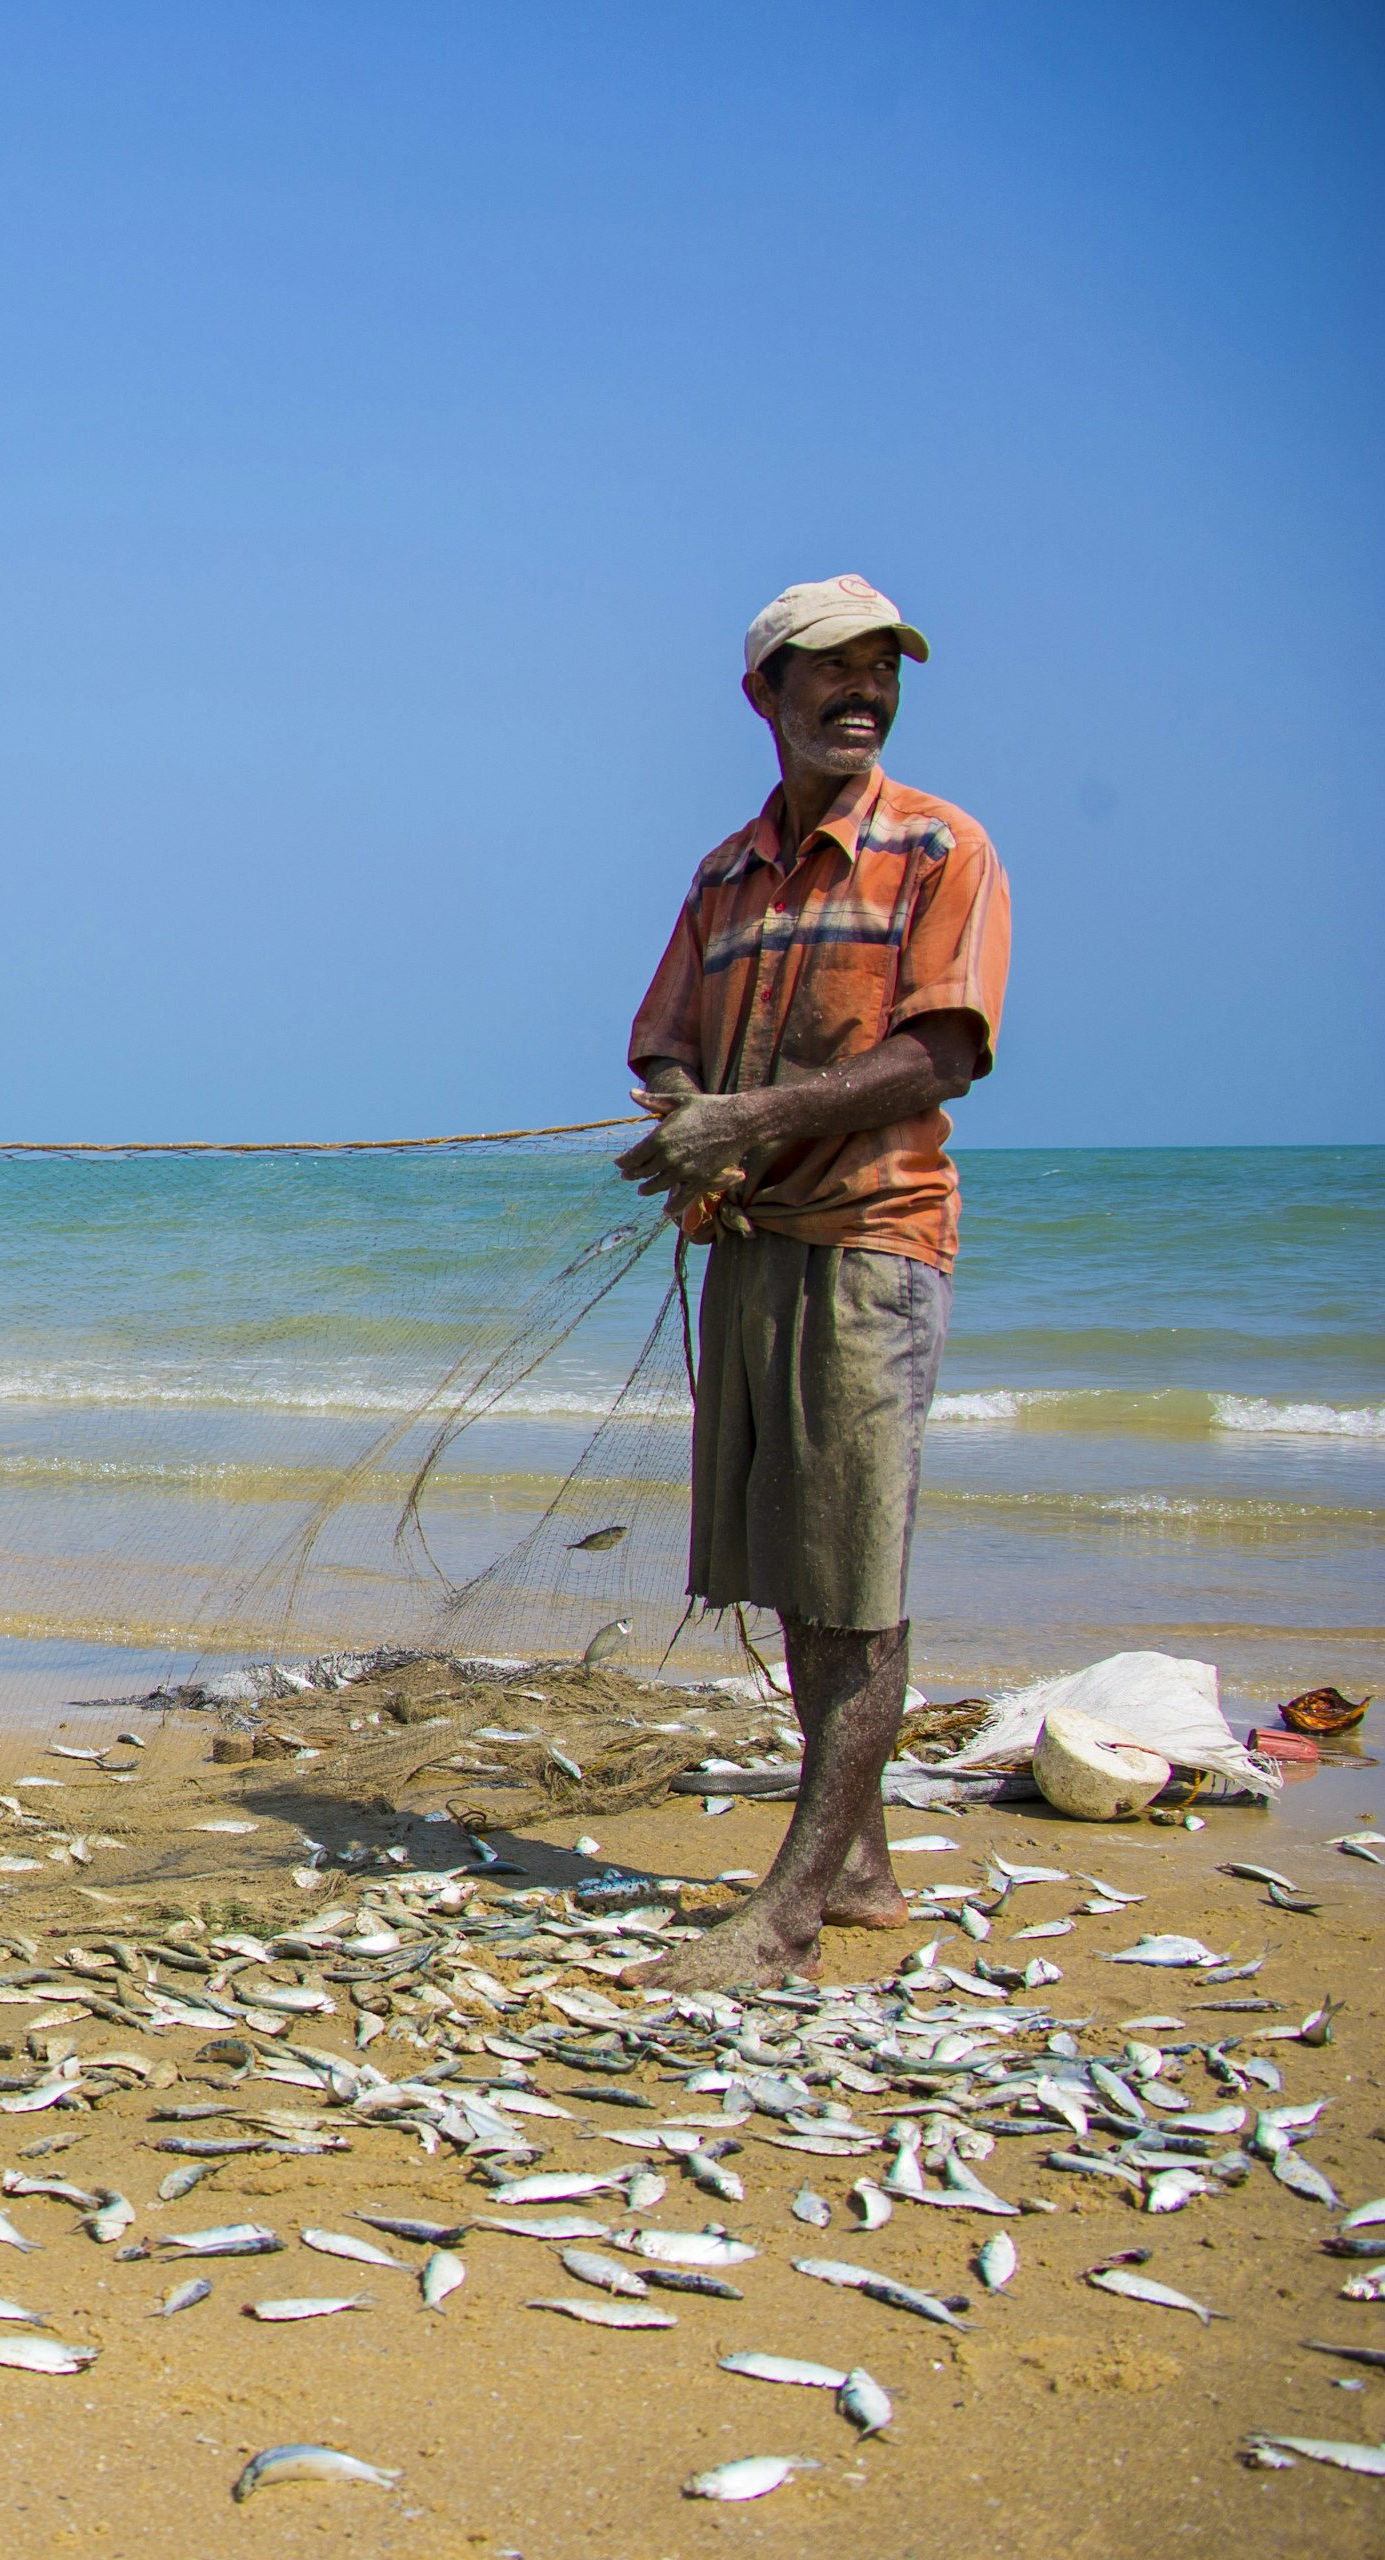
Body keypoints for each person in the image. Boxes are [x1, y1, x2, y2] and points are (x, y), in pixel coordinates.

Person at [616, 576, 1011, 1990]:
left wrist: (749, 1123)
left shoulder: (937, 848)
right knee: (794, 1558)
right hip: (753, 1248)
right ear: (764, 699)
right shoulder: (724, 877)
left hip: (870, 1243)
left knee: (853, 1579)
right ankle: (862, 1861)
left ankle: (782, 1920)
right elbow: (661, 1045)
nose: (860, 694)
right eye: (827, 673)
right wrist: (689, 1125)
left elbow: (941, 1055)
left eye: (879, 672)